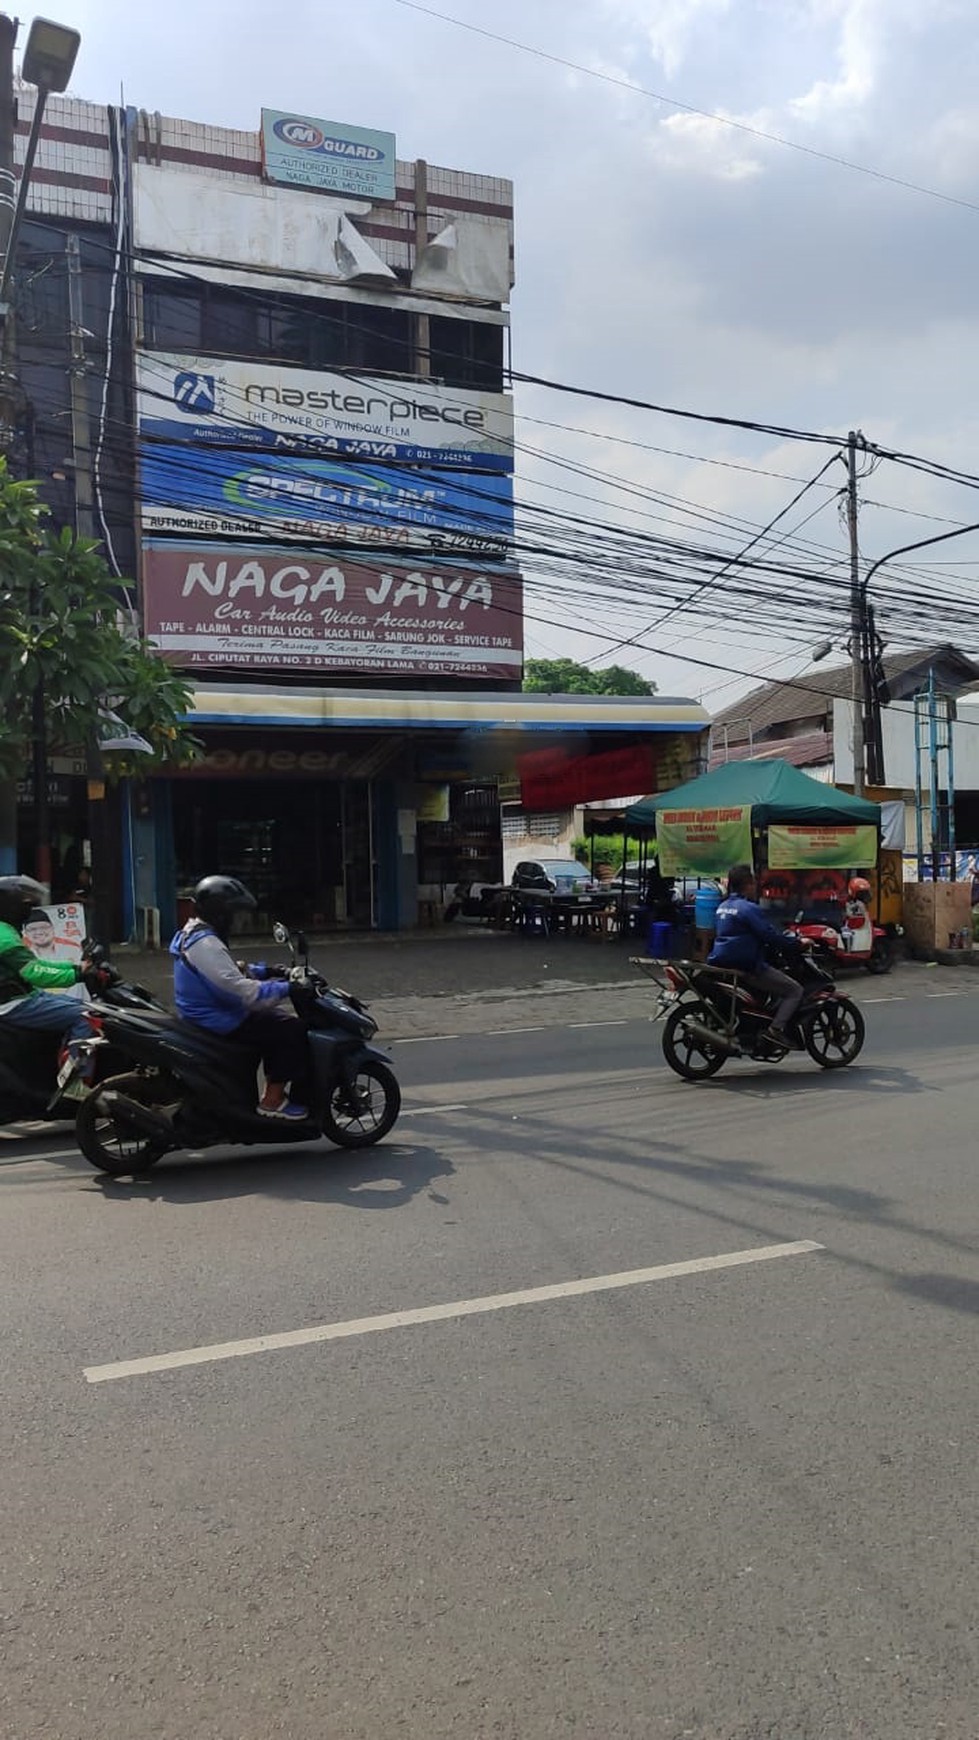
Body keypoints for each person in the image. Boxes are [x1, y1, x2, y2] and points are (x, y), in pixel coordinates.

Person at [169, 875, 309, 1120]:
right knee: (290, 1028)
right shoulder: (206, 944)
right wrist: (287, 989)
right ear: (220, 913)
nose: (237, 921)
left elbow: (226, 972)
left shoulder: (193, 933)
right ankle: (273, 1101)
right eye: (234, 914)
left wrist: (268, 971)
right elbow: (240, 993)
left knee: (273, 1022)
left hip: (205, 1012)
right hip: (217, 1018)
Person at [708, 863, 804, 1049]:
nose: (755, 887)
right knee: (795, 991)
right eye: (753, 883)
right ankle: (775, 1031)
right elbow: (769, 935)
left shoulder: (722, 907)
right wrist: (797, 943)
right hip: (747, 965)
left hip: (721, 962)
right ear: (747, 884)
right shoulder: (748, 908)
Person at [0, 875, 95, 1046]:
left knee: (88, 1006)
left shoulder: (5, 930)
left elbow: (36, 964)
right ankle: (79, 1071)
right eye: (25, 903)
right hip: (12, 1004)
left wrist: (74, 966)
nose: (29, 907)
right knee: (86, 1017)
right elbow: (36, 974)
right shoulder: (4, 938)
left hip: (25, 995)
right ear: (9, 904)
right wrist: (76, 974)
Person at [843, 876, 872, 955]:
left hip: (859, 923)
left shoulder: (860, 903)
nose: (863, 896)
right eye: (861, 893)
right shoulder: (851, 902)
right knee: (847, 933)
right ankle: (848, 951)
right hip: (851, 924)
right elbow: (849, 914)